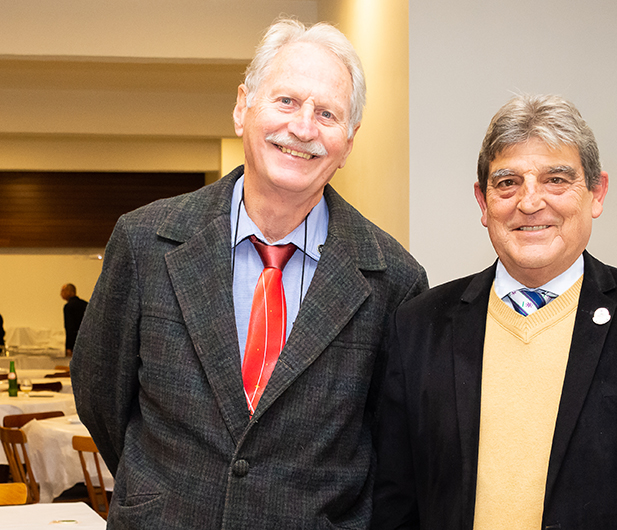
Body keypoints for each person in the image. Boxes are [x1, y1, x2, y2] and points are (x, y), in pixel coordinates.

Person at [71, 18, 427, 529]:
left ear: (348, 143)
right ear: (243, 108)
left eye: (327, 114)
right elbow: (100, 395)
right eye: (286, 101)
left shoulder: (393, 280)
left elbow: (390, 448)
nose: (303, 128)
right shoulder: (144, 242)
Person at [372, 94, 617, 529]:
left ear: (597, 193)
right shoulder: (418, 327)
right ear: (483, 202)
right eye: (507, 182)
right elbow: (394, 508)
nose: (530, 202)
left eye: (556, 180)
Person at [60, 283, 88, 355]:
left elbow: (69, 327)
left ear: (69, 292)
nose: (61, 294)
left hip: (74, 343)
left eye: (63, 291)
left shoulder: (68, 307)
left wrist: (69, 347)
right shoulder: (86, 304)